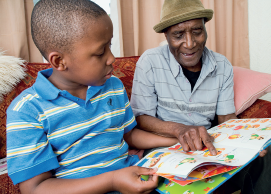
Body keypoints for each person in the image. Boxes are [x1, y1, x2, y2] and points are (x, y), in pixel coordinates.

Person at [6, 1, 178, 194]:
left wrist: (175, 141)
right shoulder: (27, 111)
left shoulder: (113, 86)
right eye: (100, 52)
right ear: (59, 61)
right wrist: (112, 181)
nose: (112, 58)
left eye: (110, 46)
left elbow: (128, 135)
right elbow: (35, 189)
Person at [131, 0, 271, 193]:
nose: (189, 44)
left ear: (205, 28)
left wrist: (249, 140)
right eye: (178, 35)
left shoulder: (221, 65)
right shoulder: (149, 62)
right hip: (165, 147)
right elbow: (141, 118)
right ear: (166, 35)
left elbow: (226, 119)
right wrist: (179, 129)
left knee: (264, 156)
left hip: (208, 144)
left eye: (197, 31)